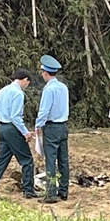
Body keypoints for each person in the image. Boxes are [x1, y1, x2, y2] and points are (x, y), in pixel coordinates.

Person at [0, 68, 37, 199]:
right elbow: (15, 117)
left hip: (2, 127)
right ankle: (28, 190)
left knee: (1, 160)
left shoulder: (4, 90)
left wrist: (2, 116)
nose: (27, 86)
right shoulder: (18, 94)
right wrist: (25, 133)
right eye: (28, 83)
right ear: (25, 80)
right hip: (12, 129)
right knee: (27, 160)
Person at [35, 55, 70, 204]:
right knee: (63, 159)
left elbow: (44, 110)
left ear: (45, 73)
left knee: (51, 160)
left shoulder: (48, 90)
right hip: (63, 125)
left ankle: (51, 193)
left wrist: (38, 125)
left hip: (51, 127)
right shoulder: (63, 87)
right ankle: (64, 190)